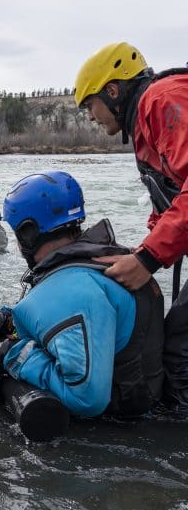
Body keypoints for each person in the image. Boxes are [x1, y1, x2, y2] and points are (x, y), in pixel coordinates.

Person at [0, 171, 165, 418]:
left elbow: (86, 399)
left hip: (123, 422)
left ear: (28, 232)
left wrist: (14, 355)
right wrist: (8, 320)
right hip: (148, 396)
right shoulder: (103, 261)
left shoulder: (71, 290)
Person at [74, 41, 188, 405]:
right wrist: (140, 252)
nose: (92, 117)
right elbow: (168, 202)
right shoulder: (144, 124)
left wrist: (148, 259)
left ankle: (170, 447)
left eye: (91, 105)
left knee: (180, 350)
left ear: (113, 90)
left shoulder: (161, 99)